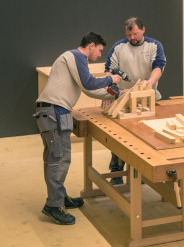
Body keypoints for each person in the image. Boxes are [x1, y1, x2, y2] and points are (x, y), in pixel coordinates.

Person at [34, 32, 122, 225]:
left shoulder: (73, 60)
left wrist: (117, 95)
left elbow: (89, 89)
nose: (99, 55)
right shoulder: (77, 56)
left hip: (51, 112)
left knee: (54, 159)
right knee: (59, 160)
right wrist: (111, 79)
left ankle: (60, 197)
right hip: (54, 112)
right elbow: (89, 82)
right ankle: (54, 206)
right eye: (99, 51)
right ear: (91, 46)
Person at [104, 17, 166, 184]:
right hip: (124, 99)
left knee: (147, 136)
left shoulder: (154, 46)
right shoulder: (119, 47)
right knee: (120, 137)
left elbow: (158, 67)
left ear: (143, 30)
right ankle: (116, 172)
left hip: (148, 99)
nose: (132, 38)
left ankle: (144, 171)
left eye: (136, 34)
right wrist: (113, 92)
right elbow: (108, 71)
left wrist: (149, 83)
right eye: (129, 34)